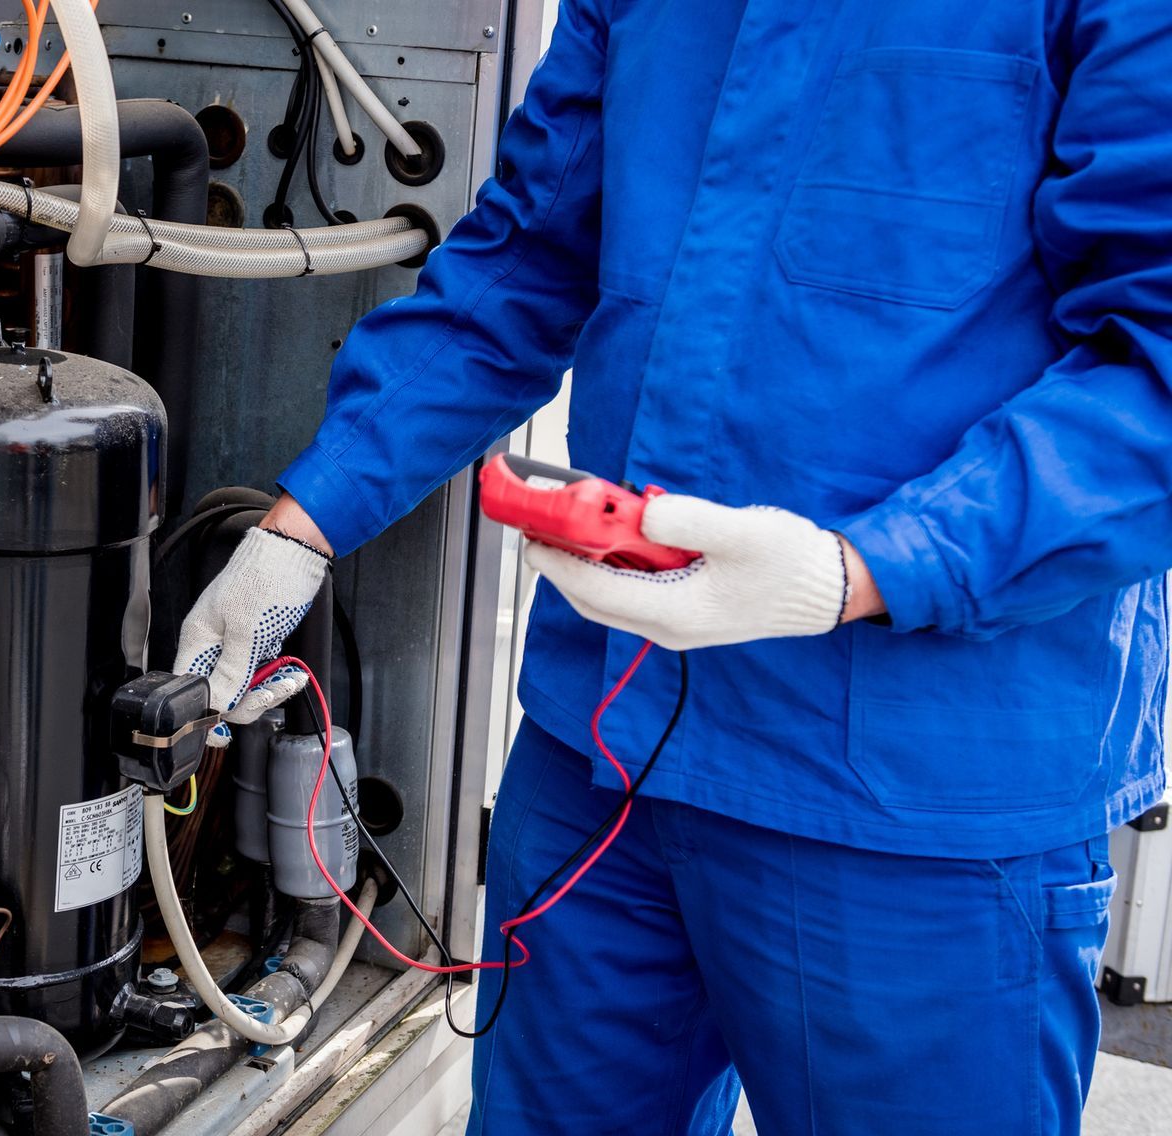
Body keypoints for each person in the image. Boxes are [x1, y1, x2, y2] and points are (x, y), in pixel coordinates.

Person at [171, 1, 1172, 1132]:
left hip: (919, 800)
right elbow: (529, 255)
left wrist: (865, 568)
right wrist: (300, 528)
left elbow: (1157, 365)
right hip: (610, 744)